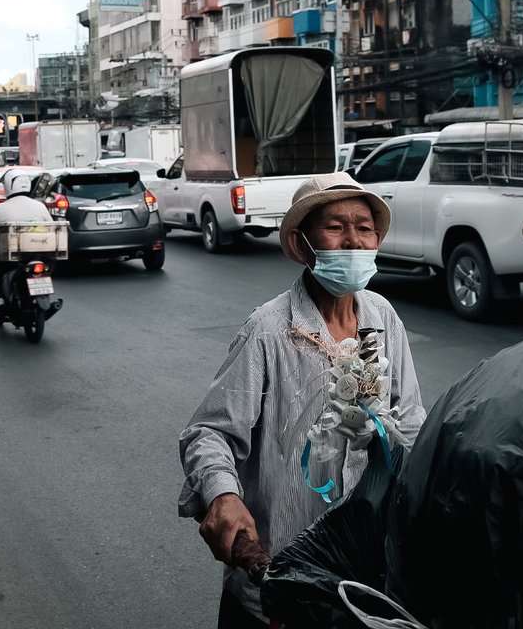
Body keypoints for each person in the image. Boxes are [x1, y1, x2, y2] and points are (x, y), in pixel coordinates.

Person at [178, 172, 426, 628]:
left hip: (362, 581)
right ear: (302, 244)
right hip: (276, 579)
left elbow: (409, 420)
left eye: (364, 227)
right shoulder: (269, 330)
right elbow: (209, 433)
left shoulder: (381, 317)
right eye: (335, 227)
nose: (353, 240)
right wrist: (223, 496)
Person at [0, 169, 52, 313]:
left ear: (9, 186)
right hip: (40, 253)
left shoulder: (2, 208)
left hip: (11, 256)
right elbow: (50, 226)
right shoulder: (39, 206)